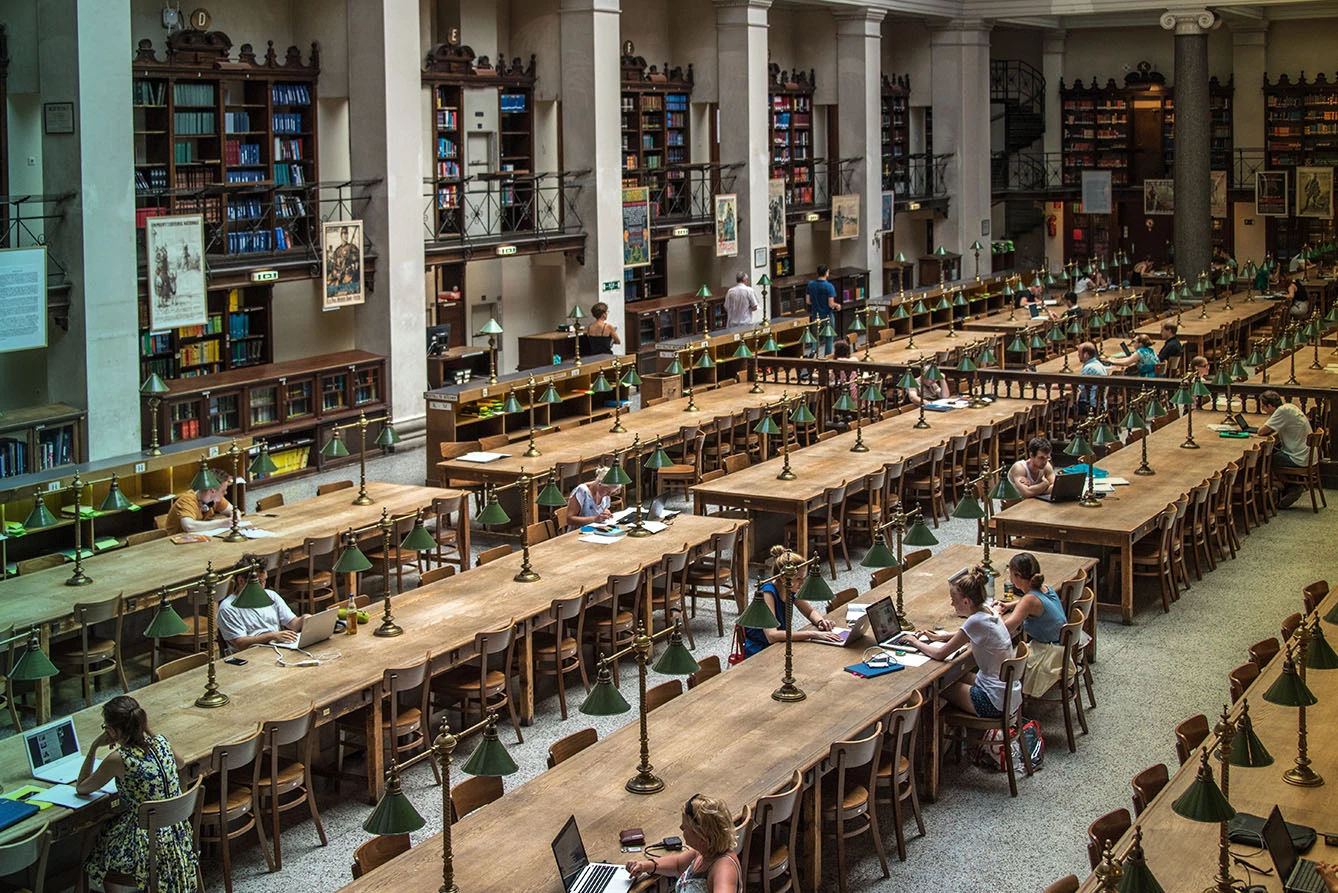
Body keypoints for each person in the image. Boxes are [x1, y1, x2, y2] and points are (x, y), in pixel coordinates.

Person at [79, 696, 198, 893]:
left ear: (114, 730)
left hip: (147, 842)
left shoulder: (119, 759)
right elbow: (180, 763)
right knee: (106, 830)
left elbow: (82, 787)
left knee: (97, 838)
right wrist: (147, 730)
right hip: (178, 834)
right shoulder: (161, 742)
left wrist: (93, 747)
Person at [895, 567, 1020, 717]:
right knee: (956, 676)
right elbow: (965, 634)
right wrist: (940, 637)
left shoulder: (975, 621)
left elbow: (940, 654)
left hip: (993, 701)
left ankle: (937, 737)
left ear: (966, 602)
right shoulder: (989, 611)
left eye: (954, 601)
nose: (952, 605)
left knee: (934, 688)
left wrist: (914, 641)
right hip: (1008, 694)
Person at [625, 793, 742, 892]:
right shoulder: (703, 853)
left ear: (701, 835)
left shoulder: (723, 869)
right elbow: (677, 865)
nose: (681, 827)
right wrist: (645, 866)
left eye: (685, 826)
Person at [742, 546, 841, 657]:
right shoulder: (767, 594)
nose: (802, 583)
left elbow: (809, 612)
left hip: (780, 644)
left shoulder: (791, 588)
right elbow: (772, 636)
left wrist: (820, 621)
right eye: (799, 578)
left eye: (804, 578)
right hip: (760, 650)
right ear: (784, 578)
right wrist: (813, 634)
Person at [997, 552, 1068, 697]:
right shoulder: (1046, 588)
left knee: (996, 663)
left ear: (1017, 576)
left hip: (1047, 655)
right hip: (1060, 649)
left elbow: (1004, 629)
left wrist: (998, 612)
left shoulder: (1029, 600)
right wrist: (1011, 605)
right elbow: (1034, 602)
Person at [216, 556, 309, 652]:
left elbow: (293, 623)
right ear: (241, 581)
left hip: (276, 648)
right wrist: (272, 636)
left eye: (264, 580)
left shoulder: (270, 595)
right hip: (250, 654)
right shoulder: (228, 608)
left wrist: (305, 620)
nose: (263, 586)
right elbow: (241, 643)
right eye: (259, 582)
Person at [1258, 390, 1314, 507]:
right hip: (1306, 454)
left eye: (1264, 407)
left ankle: (1283, 486)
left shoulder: (1282, 412)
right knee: (1273, 453)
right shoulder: (1289, 407)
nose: (1263, 410)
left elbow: (1261, 431)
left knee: (1263, 460)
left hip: (1297, 457)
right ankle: (1291, 485)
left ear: (1270, 405)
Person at [164, 468, 236, 534]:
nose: (226, 493)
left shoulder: (214, 498)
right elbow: (189, 526)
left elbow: (233, 510)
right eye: (223, 491)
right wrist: (221, 523)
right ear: (212, 491)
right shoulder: (187, 501)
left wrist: (235, 516)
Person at [566, 466, 623, 530]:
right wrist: (595, 519)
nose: (608, 495)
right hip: (578, 532)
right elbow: (569, 519)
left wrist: (606, 513)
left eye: (612, 492)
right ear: (599, 484)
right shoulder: (582, 491)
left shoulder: (605, 493)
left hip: (596, 531)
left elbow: (602, 509)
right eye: (607, 491)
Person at [806, 265, 840, 356]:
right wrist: (837, 305)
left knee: (816, 337)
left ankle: (813, 351)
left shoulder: (811, 284)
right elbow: (830, 304)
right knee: (829, 337)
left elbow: (808, 301)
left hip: (815, 314)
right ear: (826, 272)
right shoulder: (829, 286)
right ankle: (827, 356)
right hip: (827, 315)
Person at [1076, 341, 1107, 418]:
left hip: (1090, 406)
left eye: (1079, 353)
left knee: (1066, 407)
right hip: (1101, 404)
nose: (1078, 355)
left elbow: (1078, 387)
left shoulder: (1089, 368)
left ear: (1086, 355)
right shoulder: (1098, 364)